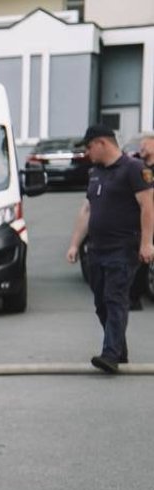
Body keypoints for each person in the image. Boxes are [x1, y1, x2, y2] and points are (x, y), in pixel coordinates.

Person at [64, 125, 154, 372]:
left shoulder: (134, 169)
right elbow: (87, 210)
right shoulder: (95, 173)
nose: (87, 152)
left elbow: (148, 206)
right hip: (97, 249)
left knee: (115, 298)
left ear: (102, 143)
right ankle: (119, 352)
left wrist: (147, 242)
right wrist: (74, 244)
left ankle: (110, 354)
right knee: (101, 303)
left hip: (123, 248)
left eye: (89, 146)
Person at [131, 133, 154, 310]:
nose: (141, 148)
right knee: (140, 261)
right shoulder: (138, 167)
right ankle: (133, 297)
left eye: (145, 144)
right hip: (139, 220)